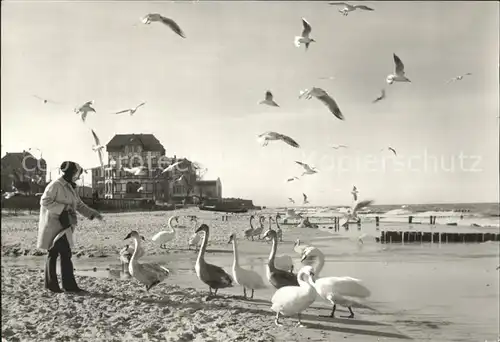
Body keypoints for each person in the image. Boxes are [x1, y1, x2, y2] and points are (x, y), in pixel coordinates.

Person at [37, 161, 103, 293]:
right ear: (71, 173)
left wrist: (93, 214)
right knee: (58, 253)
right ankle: (63, 286)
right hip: (53, 225)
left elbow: (79, 205)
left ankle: (56, 285)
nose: (78, 177)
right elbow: (44, 201)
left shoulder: (70, 187)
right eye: (77, 174)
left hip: (65, 226)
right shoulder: (55, 185)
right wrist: (64, 208)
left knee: (60, 253)